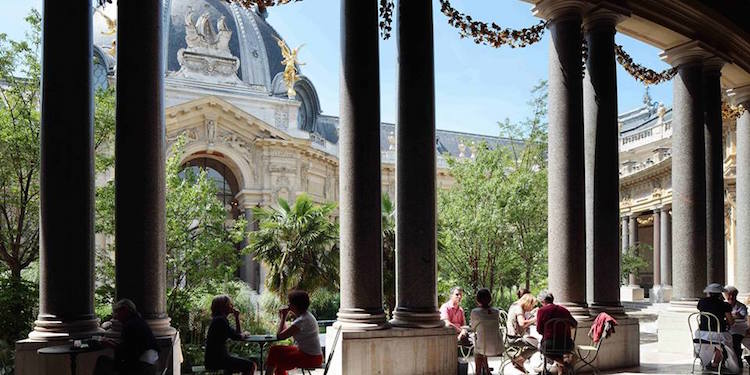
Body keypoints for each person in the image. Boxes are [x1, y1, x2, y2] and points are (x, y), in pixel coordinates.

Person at [94, 299, 160, 375]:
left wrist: (112, 345)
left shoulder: (130, 325)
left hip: (141, 366)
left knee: (102, 361)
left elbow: (130, 353)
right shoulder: (139, 321)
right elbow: (132, 345)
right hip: (152, 363)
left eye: (117, 312)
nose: (116, 316)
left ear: (125, 310)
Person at [265, 290, 323, 375]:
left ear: (295, 305)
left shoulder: (301, 321)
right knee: (275, 350)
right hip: (311, 354)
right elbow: (284, 333)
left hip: (310, 357)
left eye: (290, 303)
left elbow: (280, 336)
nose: (288, 305)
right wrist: (283, 317)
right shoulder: (306, 316)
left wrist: (283, 317)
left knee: (276, 356)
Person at [204, 295, 256, 375]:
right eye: (230, 304)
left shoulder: (219, 319)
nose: (232, 306)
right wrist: (245, 334)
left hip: (214, 359)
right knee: (251, 366)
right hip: (218, 360)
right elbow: (237, 337)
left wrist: (236, 317)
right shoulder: (220, 320)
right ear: (223, 307)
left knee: (231, 367)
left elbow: (237, 334)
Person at [695, 283, 740, 372]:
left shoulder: (702, 302)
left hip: (701, 334)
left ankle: (706, 361)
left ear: (709, 293)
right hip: (718, 334)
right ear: (720, 294)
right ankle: (716, 363)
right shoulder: (724, 305)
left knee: (715, 343)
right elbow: (731, 322)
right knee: (725, 343)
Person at [535, 291, 577, 373]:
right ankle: (561, 371)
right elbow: (574, 324)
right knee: (559, 349)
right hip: (567, 344)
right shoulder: (564, 310)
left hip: (549, 345)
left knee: (543, 348)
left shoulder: (541, 311)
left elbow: (539, 329)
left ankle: (564, 364)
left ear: (543, 301)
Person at [470, 288, 503, 375]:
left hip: (484, 347)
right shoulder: (496, 311)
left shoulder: (475, 312)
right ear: (490, 299)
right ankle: (487, 371)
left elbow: (473, 328)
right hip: (497, 346)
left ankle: (477, 373)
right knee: (482, 344)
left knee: (478, 349)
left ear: (477, 299)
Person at [506, 293, 539, 366]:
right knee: (539, 345)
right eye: (532, 305)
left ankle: (519, 361)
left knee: (535, 342)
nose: (531, 308)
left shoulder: (515, 305)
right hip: (514, 338)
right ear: (528, 303)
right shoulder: (519, 308)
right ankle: (518, 360)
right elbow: (522, 323)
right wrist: (536, 318)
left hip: (511, 336)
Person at [725, 286, 748, 369]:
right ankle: (724, 360)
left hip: (739, 328)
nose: (731, 297)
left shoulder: (741, 306)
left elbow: (742, 316)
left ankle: (738, 360)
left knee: (735, 339)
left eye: (733, 295)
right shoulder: (723, 305)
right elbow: (736, 316)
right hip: (727, 328)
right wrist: (734, 316)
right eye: (729, 295)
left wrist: (731, 316)